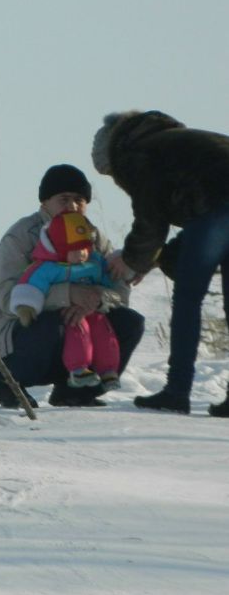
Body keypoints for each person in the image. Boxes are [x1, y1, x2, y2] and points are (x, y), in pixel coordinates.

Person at [92, 110, 229, 416]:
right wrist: (149, 260)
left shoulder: (138, 155)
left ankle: (176, 392)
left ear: (111, 158)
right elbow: (175, 242)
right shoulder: (177, 142)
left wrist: (131, 261)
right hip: (217, 210)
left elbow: (151, 223)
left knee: (188, 301)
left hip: (217, 213)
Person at [0, 164, 145, 408]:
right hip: (23, 338)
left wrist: (95, 300)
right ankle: (6, 383)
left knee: (130, 322)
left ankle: (76, 391)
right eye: (64, 199)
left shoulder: (93, 236)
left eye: (79, 200)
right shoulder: (22, 236)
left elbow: (119, 289)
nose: (73, 206)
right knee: (51, 322)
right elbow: (6, 298)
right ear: (45, 202)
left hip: (82, 330)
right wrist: (67, 295)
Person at [9, 210, 124, 391]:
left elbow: (114, 286)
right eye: (75, 250)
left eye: (84, 248)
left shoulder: (95, 263)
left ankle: (108, 370)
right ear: (60, 249)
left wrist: (100, 296)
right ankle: (79, 368)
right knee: (78, 333)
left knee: (105, 333)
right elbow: (32, 284)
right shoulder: (50, 268)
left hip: (93, 312)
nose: (82, 255)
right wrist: (27, 306)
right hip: (66, 313)